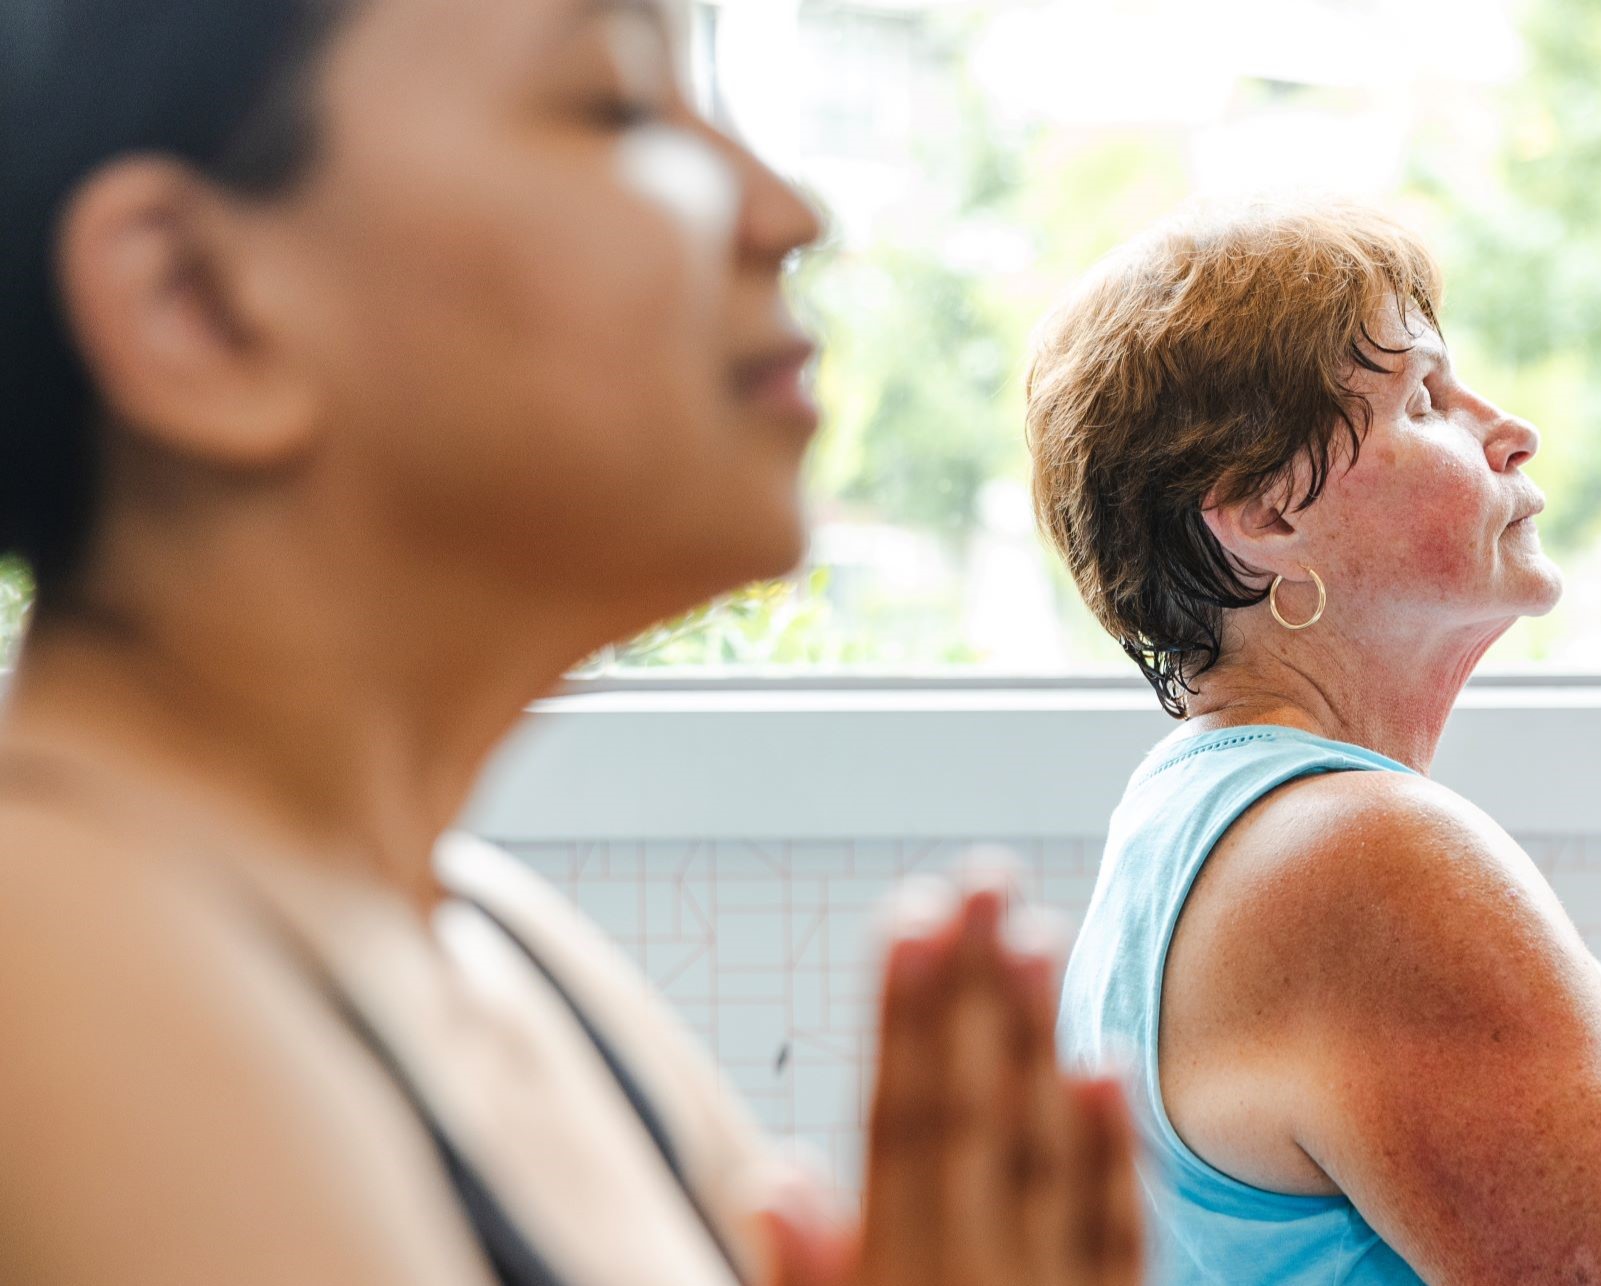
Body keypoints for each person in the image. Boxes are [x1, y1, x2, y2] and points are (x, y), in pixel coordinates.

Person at [0, 1, 1138, 1283]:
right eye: (619, 104)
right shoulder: (57, 976)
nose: (784, 215)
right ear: (194, 304)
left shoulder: (490, 935)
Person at [1031, 202, 1601, 1283]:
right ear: (1262, 514)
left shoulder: (1198, 820)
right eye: (1425, 398)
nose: (1510, 429)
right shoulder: (1352, 858)